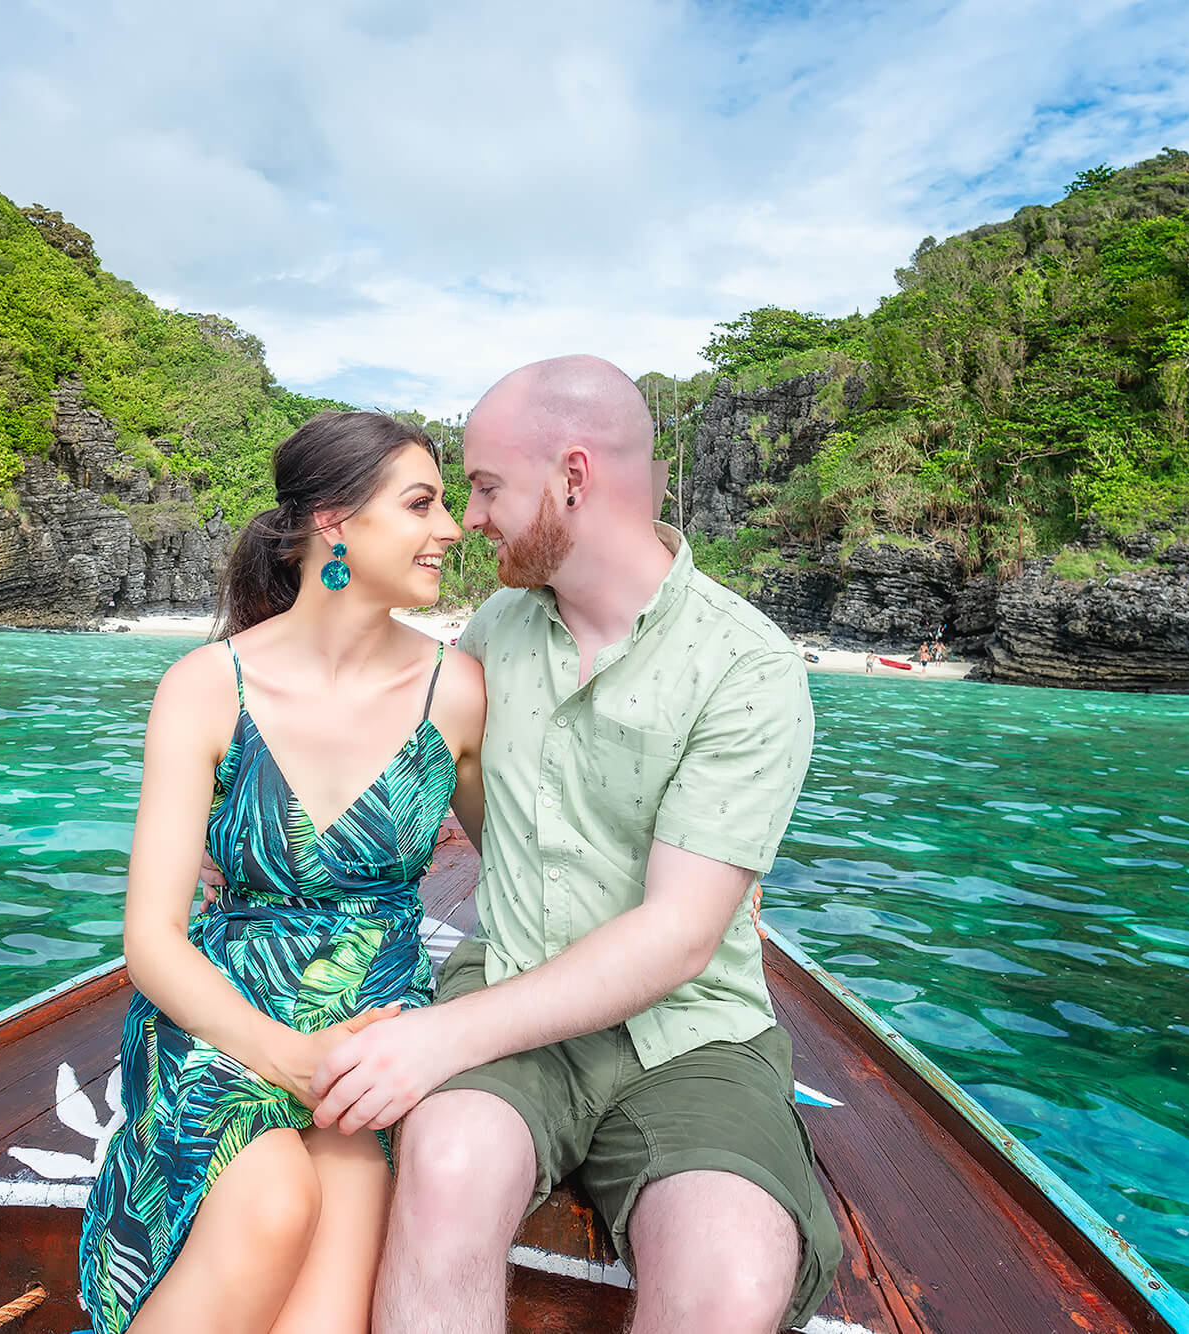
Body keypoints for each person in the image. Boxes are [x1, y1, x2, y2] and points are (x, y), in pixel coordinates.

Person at [311, 356, 841, 1333]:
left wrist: (432, 1037)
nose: (467, 518)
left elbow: (680, 937)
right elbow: (433, 796)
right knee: (447, 1166)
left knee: (730, 1272)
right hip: (511, 973)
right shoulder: (489, 635)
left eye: (484, 486)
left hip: (694, 1032)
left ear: (572, 475)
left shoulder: (746, 665)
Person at [78, 412, 486, 1334]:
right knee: (270, 1211)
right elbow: (150, 940)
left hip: (371, 1034)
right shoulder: (205, 686)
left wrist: (709, 878)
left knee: (327, 1313)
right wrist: (292, 1058)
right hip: (224, 1018)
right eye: (422, 504)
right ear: (335, 525)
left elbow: (534, 863)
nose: (452, 528)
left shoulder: (454, 692)